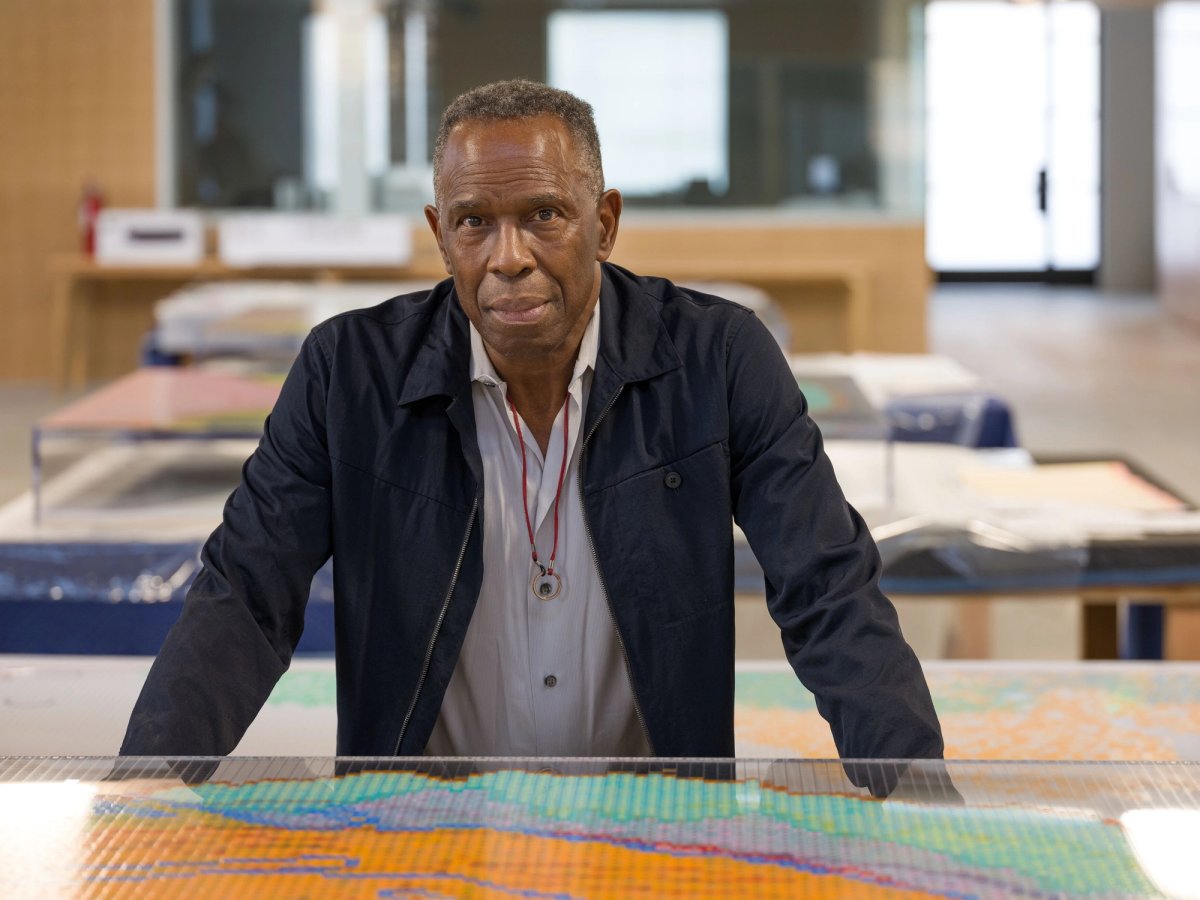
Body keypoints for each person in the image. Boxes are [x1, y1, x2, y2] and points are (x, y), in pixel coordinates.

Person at [121, 80, 943, 767]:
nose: (508, 255)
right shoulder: (349, 374)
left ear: (605, 222)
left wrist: (915, 792)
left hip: (653, 831)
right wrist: (146, 792)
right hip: (419, 834)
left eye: (545, 214)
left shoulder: (718, 359)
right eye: (475, 221)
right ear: (441, 235)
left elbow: (826, 587)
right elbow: (245, 598)